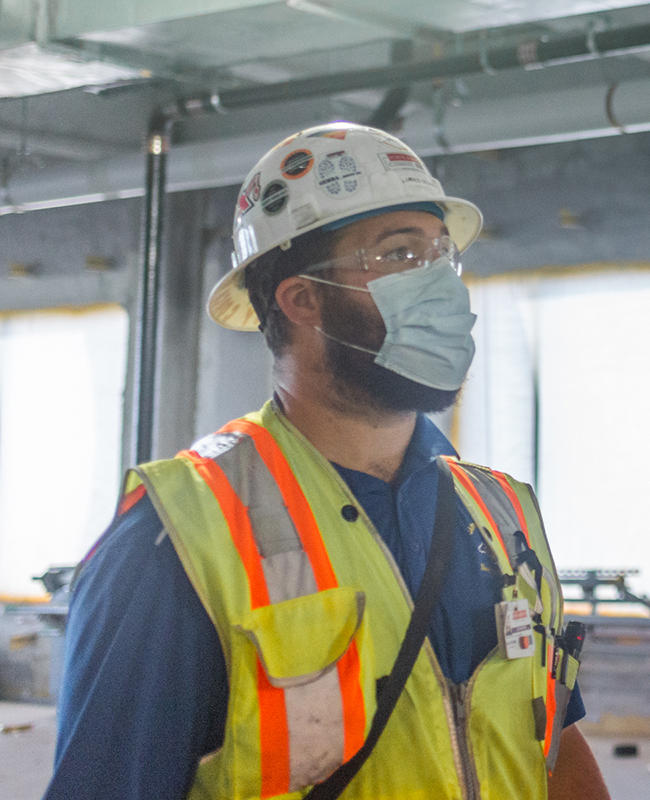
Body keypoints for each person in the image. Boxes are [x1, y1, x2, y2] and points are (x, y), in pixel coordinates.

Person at [46, 122, 610, 800]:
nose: (442, 288)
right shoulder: (178, 541)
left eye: (442, 257)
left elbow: (554, 748)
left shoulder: (504, 513)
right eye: (401, 256)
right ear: (302, 299)